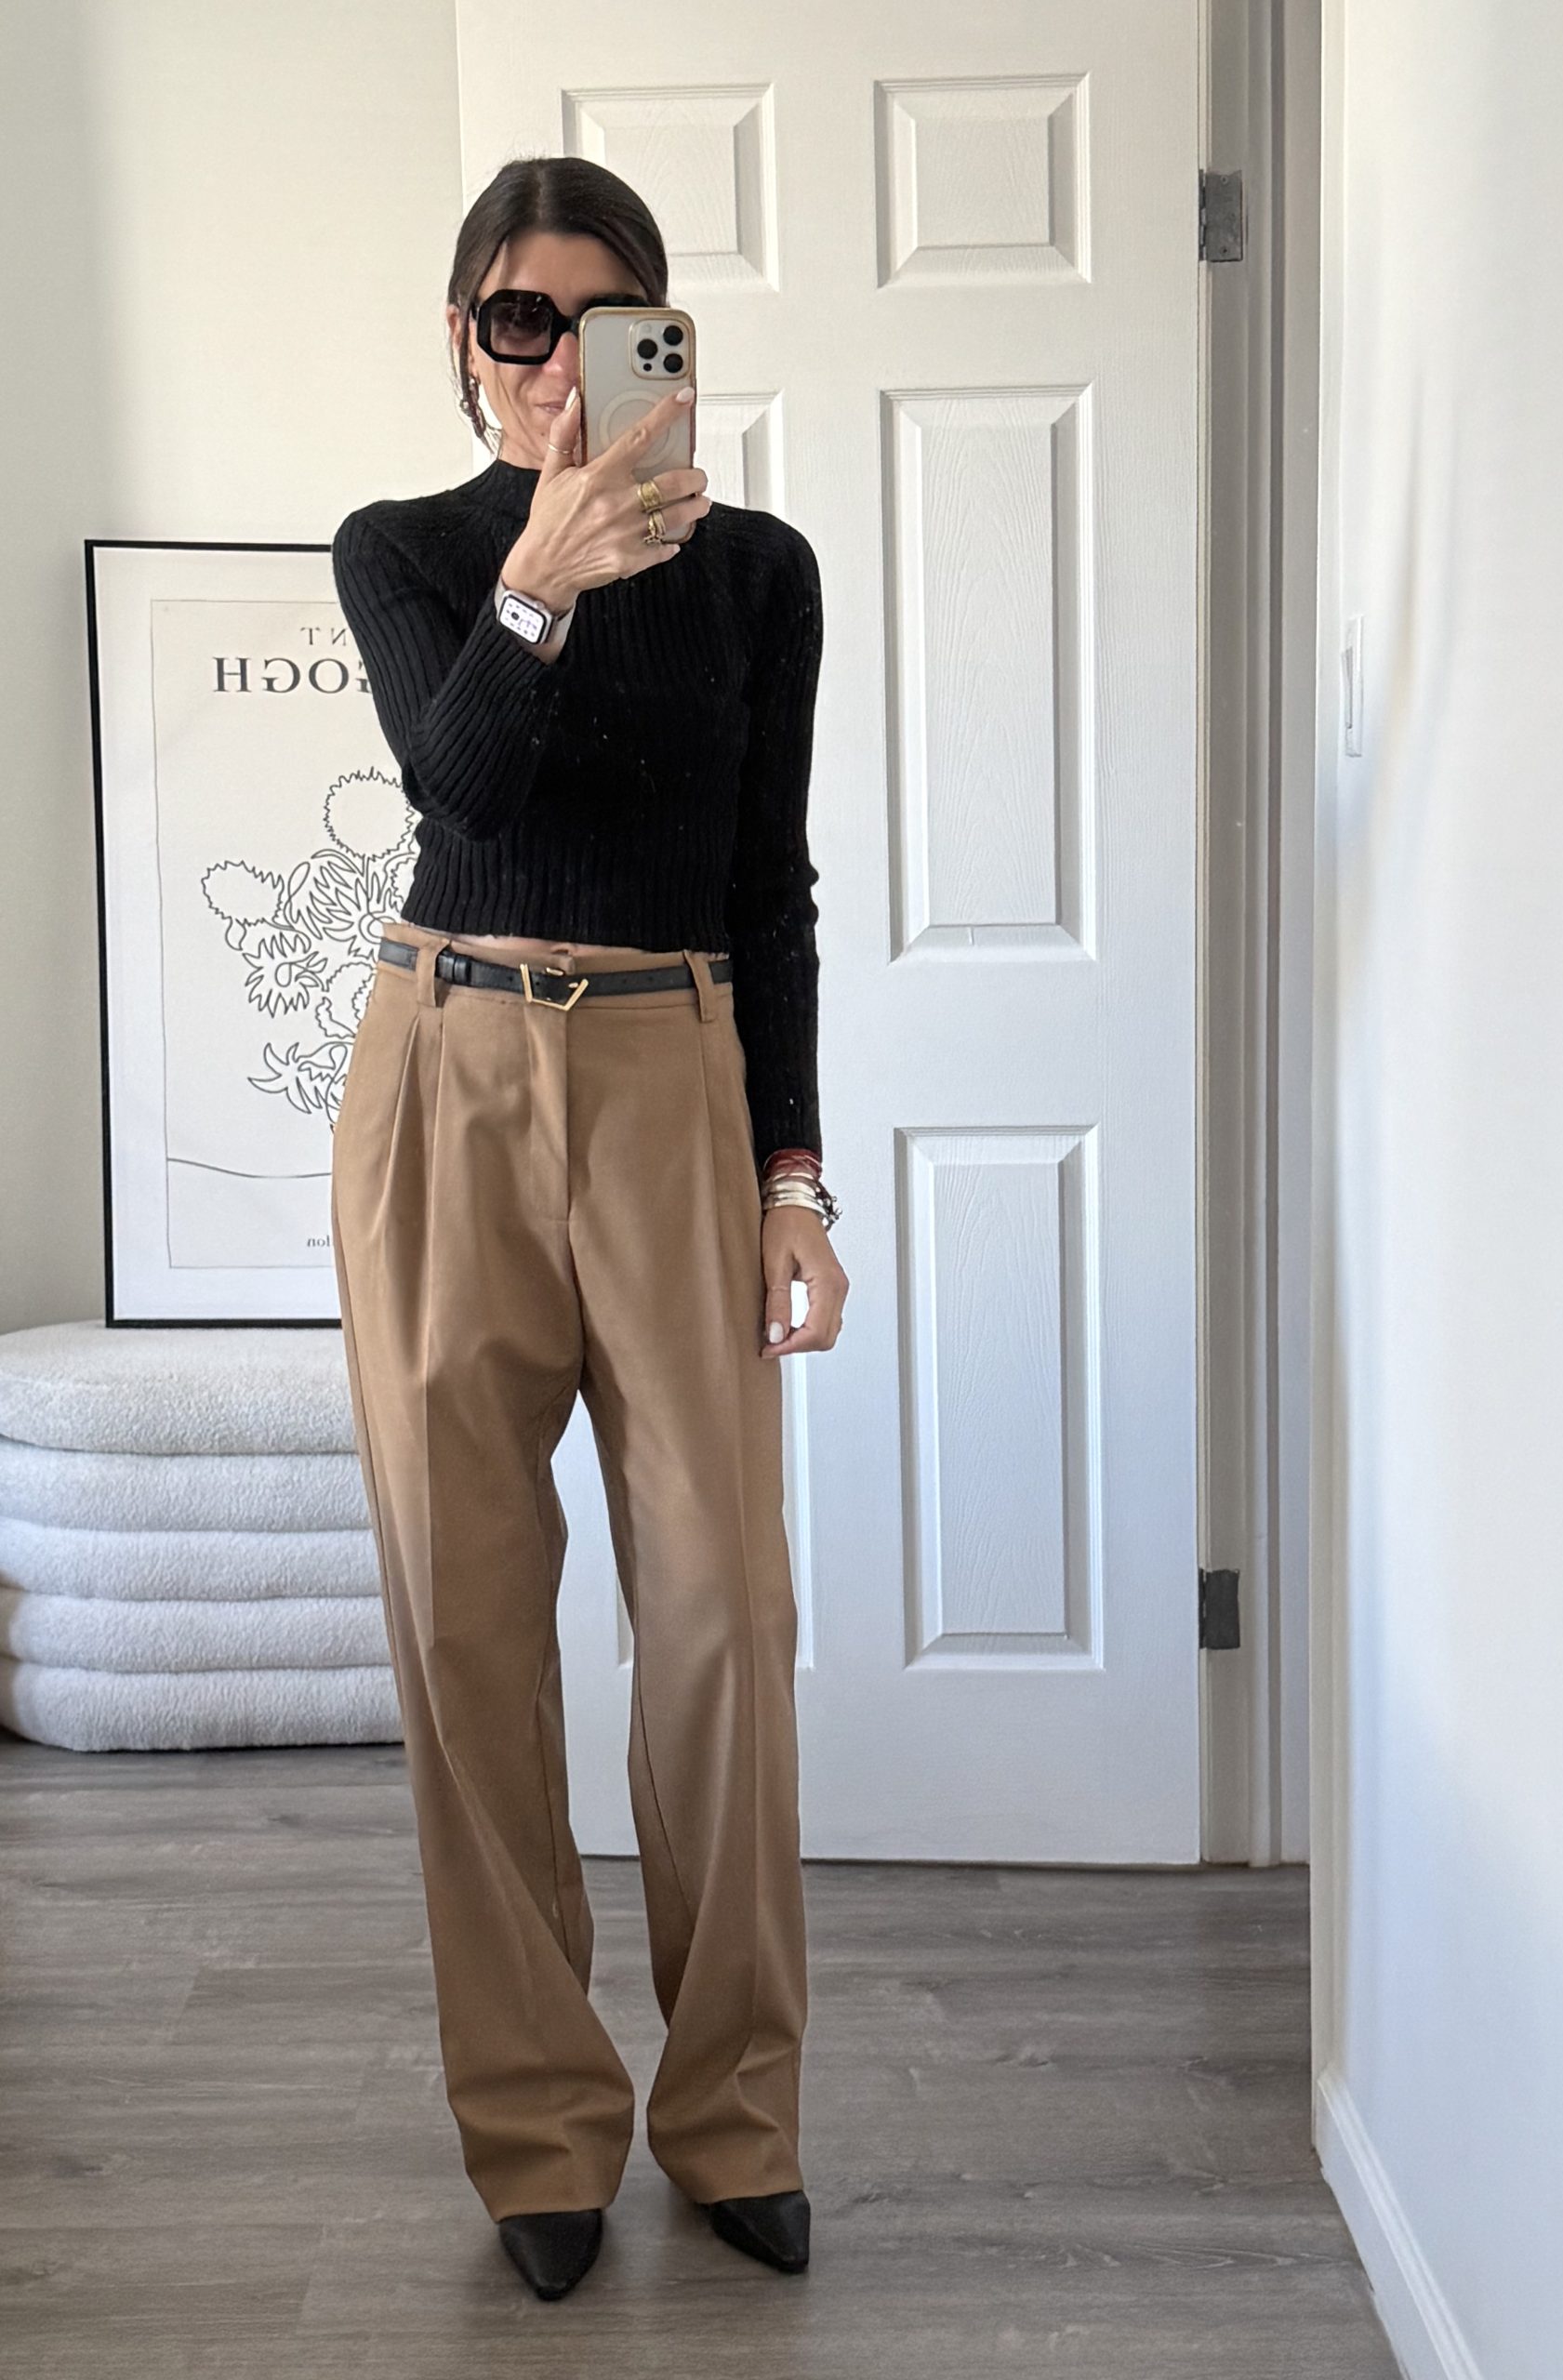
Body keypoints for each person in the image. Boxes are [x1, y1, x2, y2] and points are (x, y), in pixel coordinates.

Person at [327, 154, 848, 2303]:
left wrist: (794, 1177)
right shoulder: (406, 550)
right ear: (463, 340)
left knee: (722, 1611)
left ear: (664, 339)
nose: (552, 359)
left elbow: (767, 886)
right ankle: (540, 2126)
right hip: (445, 1067)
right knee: (467, 1614)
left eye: (599, 318)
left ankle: (736, 2114)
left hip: (667, 1076)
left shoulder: (759, 577)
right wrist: (541, 572)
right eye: (514, 320)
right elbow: (459, 785)